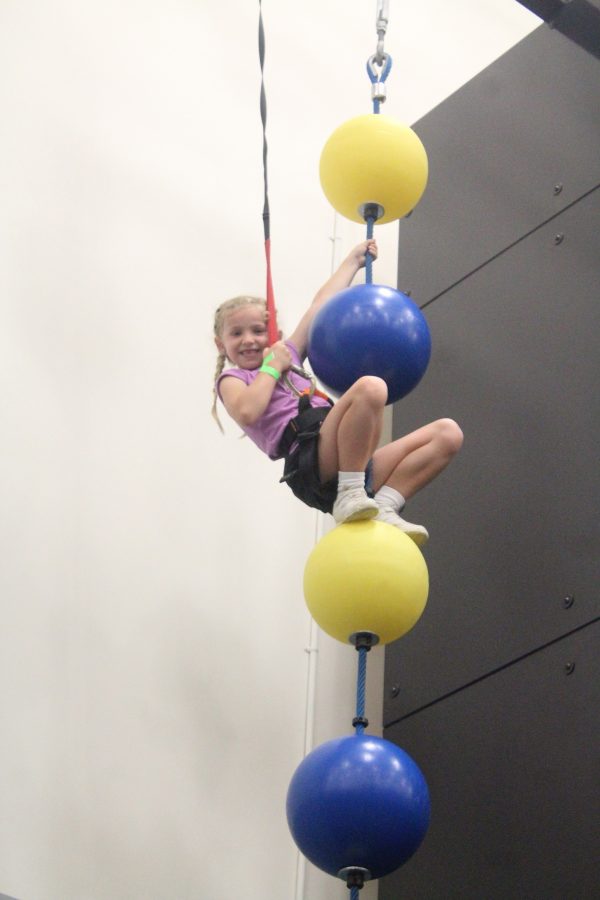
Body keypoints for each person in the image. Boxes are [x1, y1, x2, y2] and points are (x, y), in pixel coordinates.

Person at [212, 240, 463, 545]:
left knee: (448, 434)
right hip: (308, 461)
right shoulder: (233, 378)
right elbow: (248, 410)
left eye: (257, 330)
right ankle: (350, 492)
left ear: (273, 332)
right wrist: (272, 368)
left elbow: (319, 307)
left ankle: (385, 504)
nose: (249, 340)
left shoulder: (287, 353)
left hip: (346, 457)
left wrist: (353, 261)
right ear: (220, 344)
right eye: (237, 334)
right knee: (371, 388)